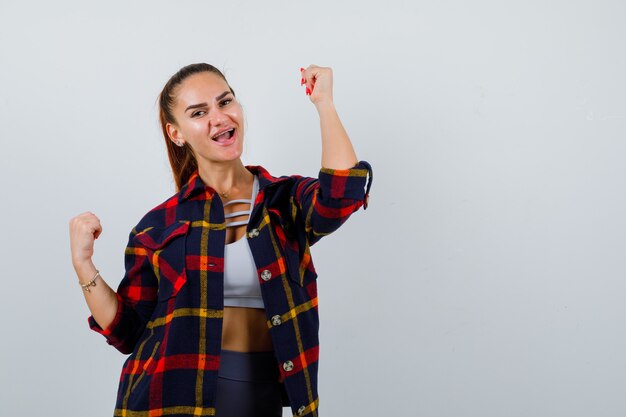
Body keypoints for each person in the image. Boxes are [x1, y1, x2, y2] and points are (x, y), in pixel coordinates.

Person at [68, 63, 373, 417]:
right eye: (199, 112)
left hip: (262, 394)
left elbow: (342, 195)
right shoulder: (156, 227)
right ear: (176, 133)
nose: (218, 117)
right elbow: (128, 331)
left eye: (224, 102)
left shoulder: (282, 201)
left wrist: (324, 102)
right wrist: (83, 265)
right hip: (170, 398)